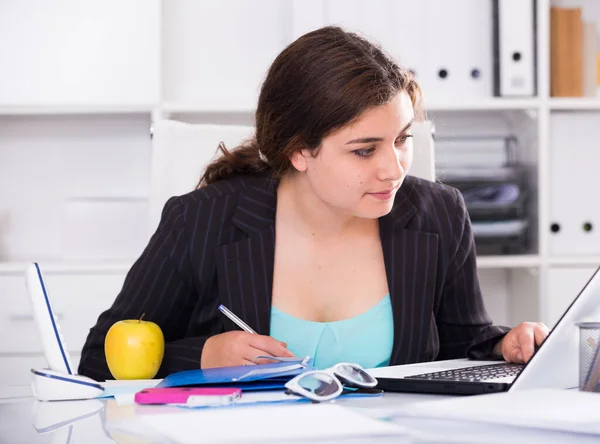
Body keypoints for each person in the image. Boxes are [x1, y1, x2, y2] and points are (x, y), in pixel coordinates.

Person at [78, 26, 549, 381]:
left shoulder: (439, 215)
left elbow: (463, 341)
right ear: (299, 150)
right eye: (365, 150)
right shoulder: (202, 220)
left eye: (402, 140)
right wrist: (202, 356)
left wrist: (505, 345)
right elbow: (99, 359)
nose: (394, 168)